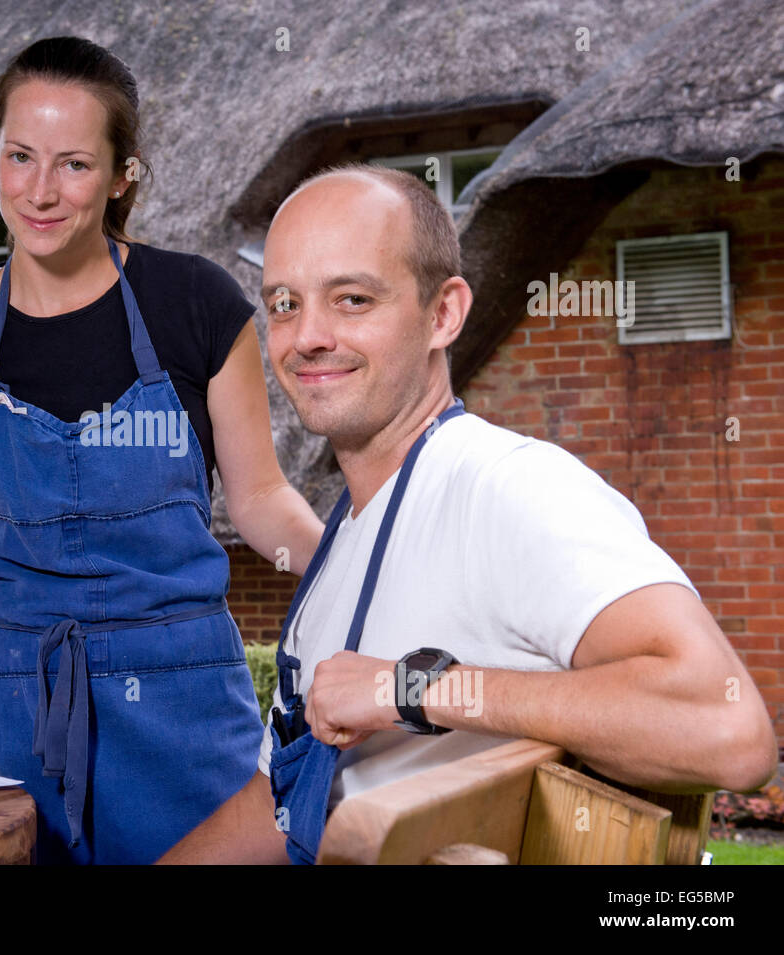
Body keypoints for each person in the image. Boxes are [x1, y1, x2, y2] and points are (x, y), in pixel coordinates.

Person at [158, 162, 779, 864]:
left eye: (353, 299)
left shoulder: (508, 488)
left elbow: (729, 730)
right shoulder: (343, 542)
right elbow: (282, 801)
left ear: (444, 313)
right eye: (284, 303)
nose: (308, 336)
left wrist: (412, 687)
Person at [0, 36, 325, 864]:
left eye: (74, 165)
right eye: (20, 157)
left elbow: (261, 499)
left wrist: (358, 568)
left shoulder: (195, 305)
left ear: (123, 175)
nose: (41, 191)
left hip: (183, 712)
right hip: (15, 717)